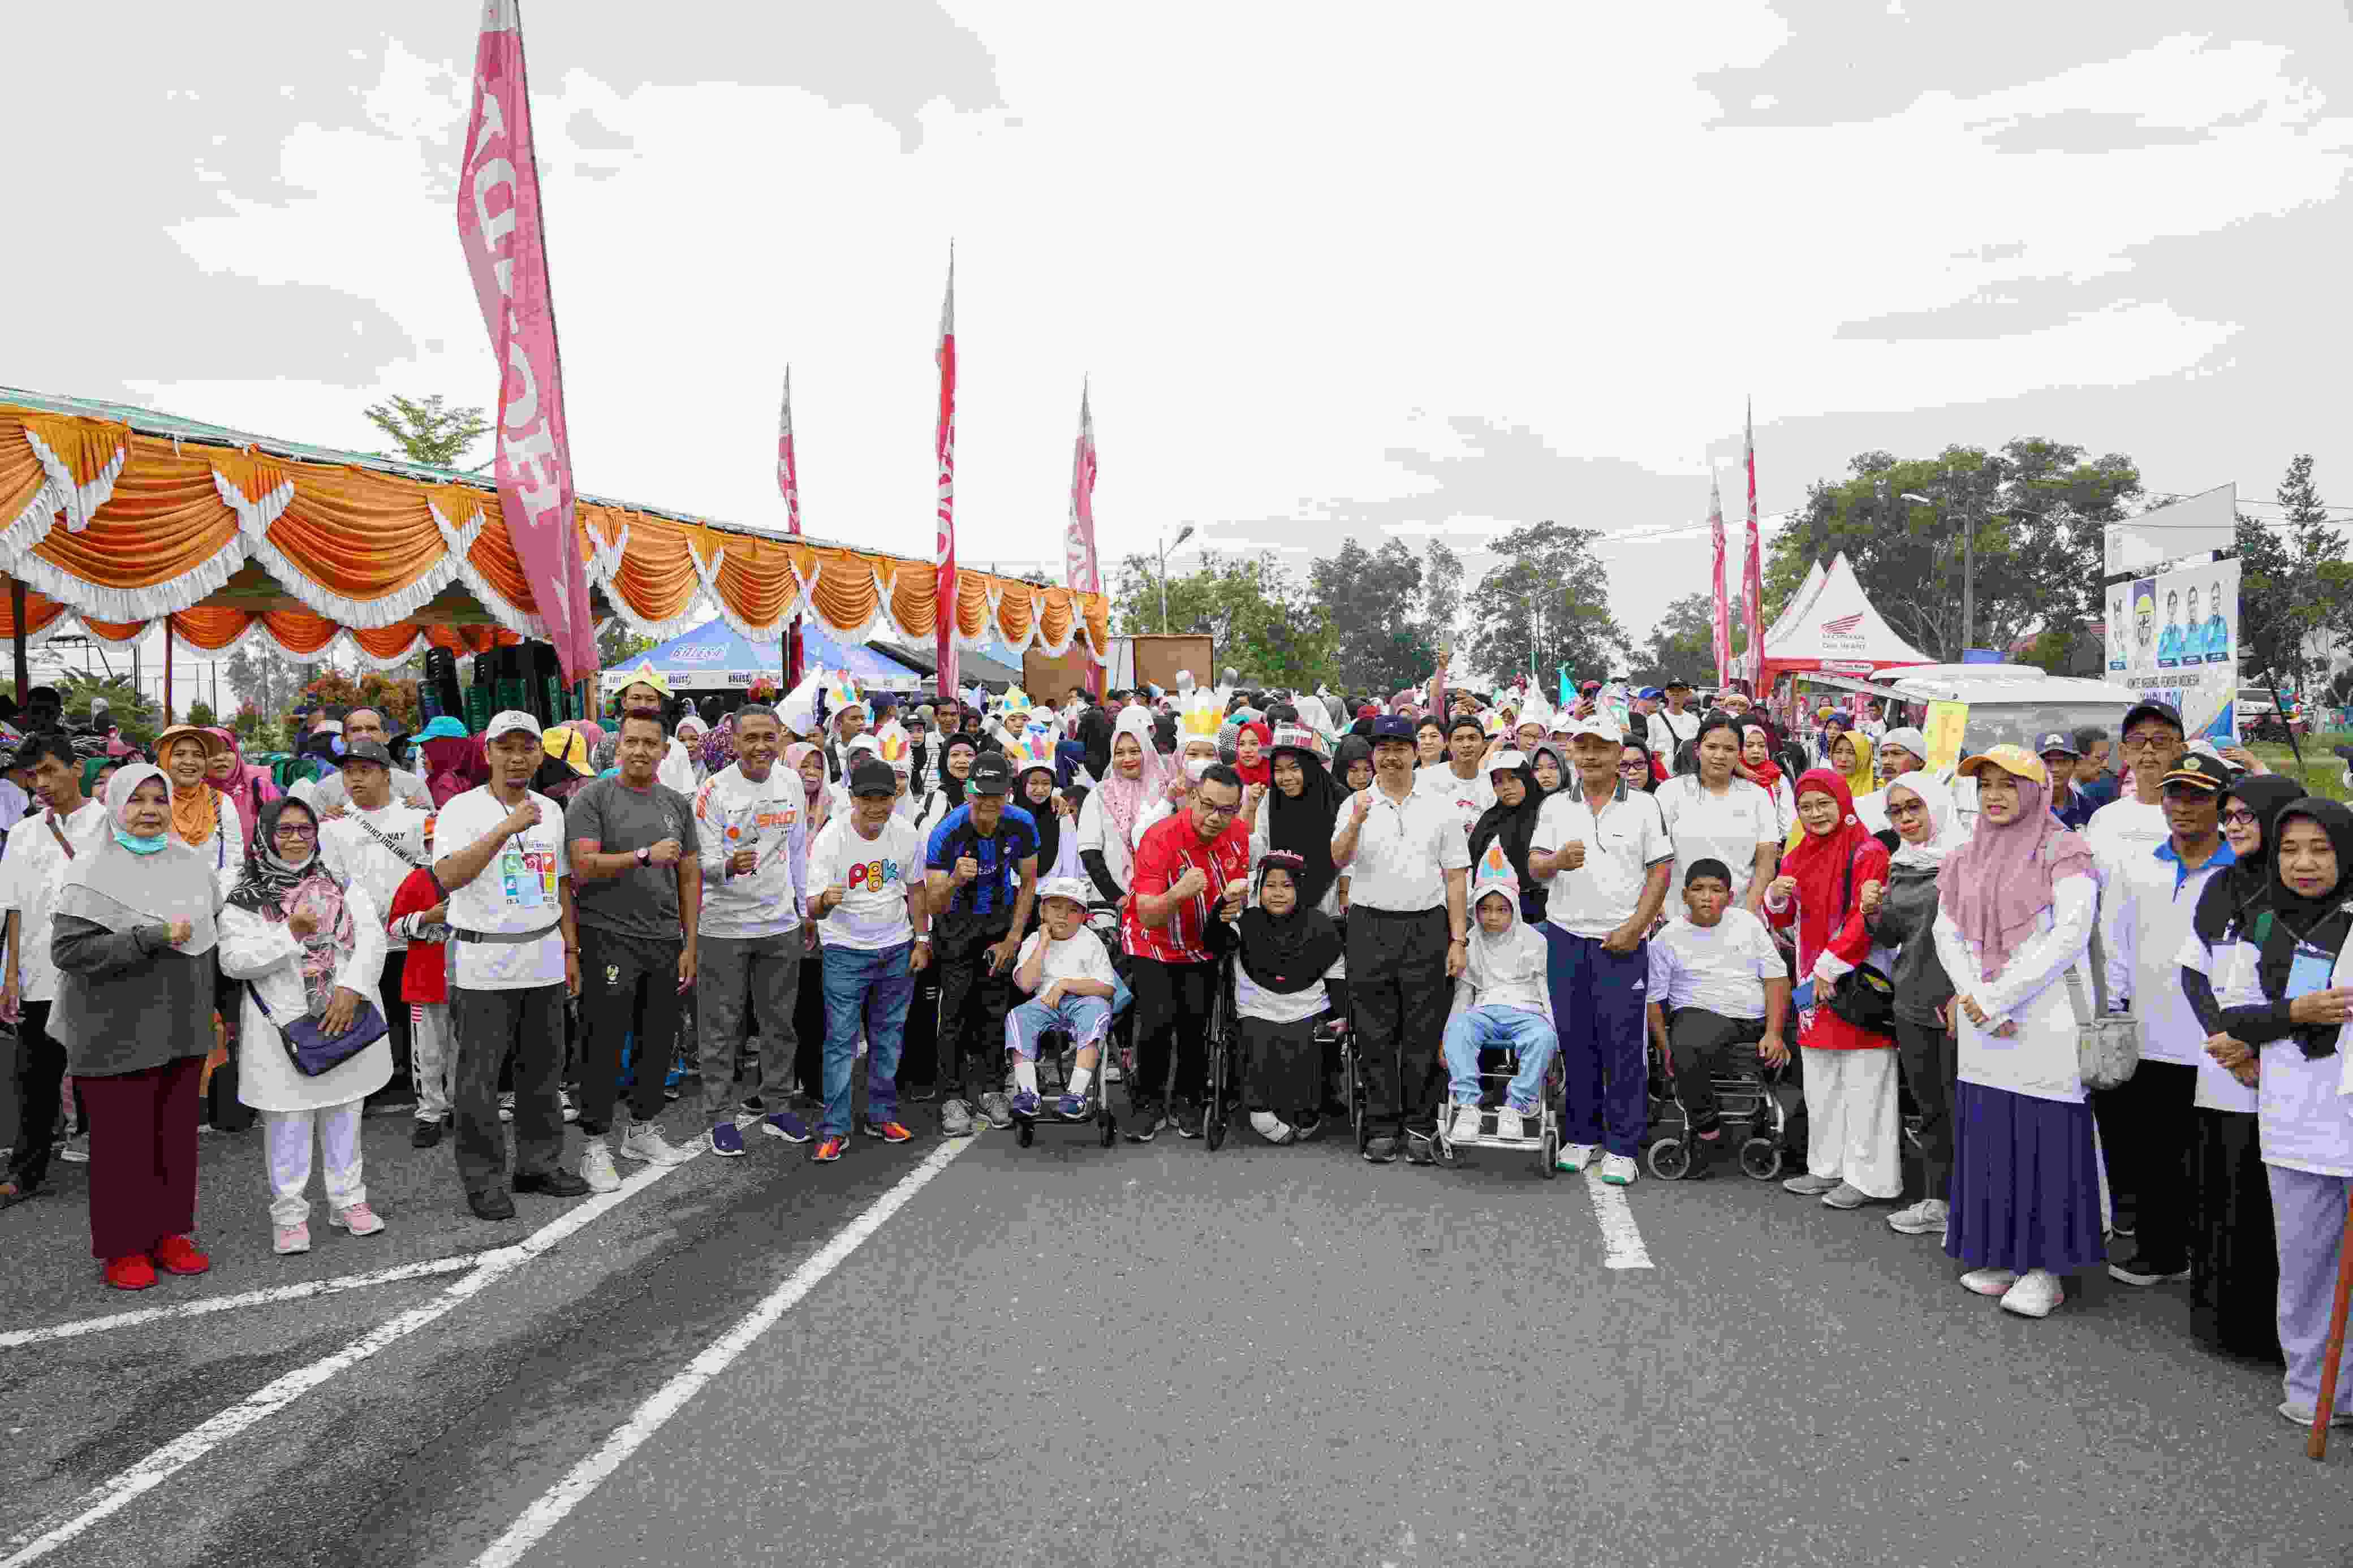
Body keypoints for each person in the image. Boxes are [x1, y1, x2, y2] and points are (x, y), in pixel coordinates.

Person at [1932, 745, 2102, 1319]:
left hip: (2042, 1019)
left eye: (2008, 783)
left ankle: (2045, 1268)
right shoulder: (1963, 856)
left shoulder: (2066, 849)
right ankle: (2001, 1253)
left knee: (2043, 1138)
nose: (1994, 795)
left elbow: (2068, 935)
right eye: (1985, 785)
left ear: (2036, 787)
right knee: (1990, 1133)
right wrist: (1974, 997)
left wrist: (1996, 997)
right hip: (1985, 1024)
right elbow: (1945, 931)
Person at [2208, 800, 2353, 1423]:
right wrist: (2296, 1014)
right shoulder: (2260, 921)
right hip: (2294, 1122)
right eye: (2290, 848)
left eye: (2320, 849)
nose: (2302, 863)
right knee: (2303, 1269)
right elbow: (2233, 1014)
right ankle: (2314, 1390)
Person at [49, 764, 222, 1289]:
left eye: (159, 798)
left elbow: (211, 938)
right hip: (113, 1030)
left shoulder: (191, 864)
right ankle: (123, 1247)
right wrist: (146, 937)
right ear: (116, 806)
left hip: (181, 1025)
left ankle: (171, 1233)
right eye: (137, 800)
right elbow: (69, 950)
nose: (150, 809)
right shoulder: (91, 867)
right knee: (121, 1147)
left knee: (175, 1140)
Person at [431, 711, 591, 1221]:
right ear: (488, 753)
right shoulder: (461, 809)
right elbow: (449, 876)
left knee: (543, 1072)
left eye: (527, 747)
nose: (517, 757)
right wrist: (505, 828)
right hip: (484, 959)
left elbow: (561, 883)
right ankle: (483, 1179)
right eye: (507, 747)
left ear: (540, 754)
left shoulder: (551, 809)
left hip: (542, 954)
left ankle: (538, 1164)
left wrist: (570, 950)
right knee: (478, 1080)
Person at [218, 798, 391, 1254]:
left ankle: (348, 1200)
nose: (296, 838)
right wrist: (288, 933)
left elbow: (371, 937)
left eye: (305, 829)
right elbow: (233, 961)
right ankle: (290, 1212)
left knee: (345, 1114)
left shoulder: (338, 882)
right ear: (266, 834)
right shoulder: (244, 892)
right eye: (286, 830)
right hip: (283, 1026)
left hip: (342, 1014)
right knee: (289, 1122)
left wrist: (352, 989)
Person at [2098, 751, 2238, 1290]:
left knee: (2211, 1156)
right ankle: (2161, 1252)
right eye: (2176, 794)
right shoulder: (2139, 865)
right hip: (2150, 1032)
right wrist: (2113, 1009)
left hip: (2215, 1037)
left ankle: (2210, 1259)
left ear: (2223, 805)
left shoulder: (2238, 869)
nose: (2183, 806)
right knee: (2154, 1151)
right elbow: (2115, 943)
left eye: (2199, 795)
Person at [2175, 774, 2302, 1362]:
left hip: (2290, 1064)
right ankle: (2225, 1324)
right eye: (2226, 814)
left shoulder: (2306, 890)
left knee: (2276, 1203)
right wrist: (2225, 1040)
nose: (2231, 824)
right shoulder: (2221, 885)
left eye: (2246, 815)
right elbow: (2192, 971)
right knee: (2223, 1190)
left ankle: (2284, 1334)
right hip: (2226, 1068)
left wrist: (2254, 1045)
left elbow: (2313, 990)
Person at [564, 709, 706, 1187]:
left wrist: (690, 940)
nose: (641, 750)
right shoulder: (593, 798)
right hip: (609, 936)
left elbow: (689, 873)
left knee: (658, 1039)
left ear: (666, 750)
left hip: (665, 940)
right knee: (603, 1042)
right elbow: (581, 867)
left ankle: (641, 1128)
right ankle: (595, 1143)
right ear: (617, 746)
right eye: (633, 742)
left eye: (651, 742)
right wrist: (643, 856)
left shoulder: (675, 804)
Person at [1528, 713, 1670, 1182]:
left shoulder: (1645, 805)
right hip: (1566, 935)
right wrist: (1557, 861)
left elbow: (1660, 872)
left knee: (1623, 1043)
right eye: (1582, 746)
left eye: (1600, 747)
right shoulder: (1554, 806)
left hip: (1620, 939)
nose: (1590, 755)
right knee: (1576, 1039)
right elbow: (1534, 868)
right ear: (1572, 752)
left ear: (1617, 754)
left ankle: (1623, 1143)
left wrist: (1636, 927)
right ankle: (1584, 1135)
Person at [1331, 716, 1469, 1163]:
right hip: (1370, 925)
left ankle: (1420, 1123)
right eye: (1382, 748)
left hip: (1426, 927)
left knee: (1423, 1032)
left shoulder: (1441, 806)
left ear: (1416, 751)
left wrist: (1458, 938)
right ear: (1373, 755)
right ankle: (1381, 1124)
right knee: (1374, 1031)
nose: (1390, 756)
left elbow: (1455, 878)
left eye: (1400, 747)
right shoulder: (1356, 802)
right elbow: (1338, 858)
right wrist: (1355, 822)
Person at [1762, 767, 1901, 1211]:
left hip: (1855, 982)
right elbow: (1784, 924)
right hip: (1812, 984)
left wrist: (1828, 967)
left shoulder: (1869, 850)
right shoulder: (1797, 854)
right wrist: (1776, 898)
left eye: (1824, 803)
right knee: (1821, 1081)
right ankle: (1825, 1167)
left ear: (1843, 802)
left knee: (1866, 1083)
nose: (1816, 813)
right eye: (1806, 807)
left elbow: (1866, 919)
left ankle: (1869, 1178)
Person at [692, 703, 816, 1157]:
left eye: (769, 737)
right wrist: (726, 864)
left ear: (781, 737)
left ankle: (778, 1105)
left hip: (779, 923)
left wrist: (805, 909)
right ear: (735, 741)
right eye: (752, 738)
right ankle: (721, 1116)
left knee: (779, 1024)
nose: (761, 746)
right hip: (723, 927)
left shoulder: (791, 783)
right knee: (722, 1027)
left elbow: (799, 850)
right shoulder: (712, 791)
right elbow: (697, 864)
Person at [0, 735, 108, 1211]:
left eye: (49, 770)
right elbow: (14, 908)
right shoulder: (24, 833)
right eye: (33, 775)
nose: (41, 783)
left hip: (98, 971)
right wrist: (9, 977)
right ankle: (26, 1172)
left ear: (76, 767)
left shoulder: (109, 824)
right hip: (39, 973)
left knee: (103, 1074)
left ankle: (116, 1165)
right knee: (34, 1078)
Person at [805, 758, 929, 1163]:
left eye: (885, 799)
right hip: (844, 950)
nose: (877, 808)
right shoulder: (831, 838)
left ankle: (882, 1114)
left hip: (896, 947)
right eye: (868, 800)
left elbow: (915, 889)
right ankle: (835, 1127)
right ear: (852, 799)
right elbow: (812, 906)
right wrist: (825, 900)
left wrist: (921, 939)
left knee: (889, 1036)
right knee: (841, 1041)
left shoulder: (906, 834)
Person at [1127, 759, 1255, 1142]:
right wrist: (1179, 891)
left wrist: (1234, 906)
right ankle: (1148, 1101)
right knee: (1157, 1020)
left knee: (1195, 1021)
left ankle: (1190, 1097)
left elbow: (1237, 887)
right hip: (1155, 943)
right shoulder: (1159, 837)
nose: (1217, 817)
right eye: (1209, 805)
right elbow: (1147, 913)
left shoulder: (1238, 834)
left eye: (1228, 810)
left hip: (1202, 943)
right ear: (1193, 796)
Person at [1864, 771, 1964, 1239]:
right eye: (1897, 810)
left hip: (1959, 1006)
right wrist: (1872, 911)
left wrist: (1965, 996)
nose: (1905, 818)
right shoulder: (1900, 864)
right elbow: (1892, 936)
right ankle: (1938, 1201)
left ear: (1936, 807)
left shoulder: (1965, 860)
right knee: (1931, 1109)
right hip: (1912, 1001)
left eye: (1914, 807)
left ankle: (1974, 1207)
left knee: (1965, 1107)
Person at [1645, 858, 1790, 1180]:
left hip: (1751, 1019)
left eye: (1716, 890)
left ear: (1730, 895)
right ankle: (1708, 1130)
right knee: (1688, 1045)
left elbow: (1777, 980)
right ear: (1684, 896)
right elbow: (1654, 1000)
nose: (1707, 896)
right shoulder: (1668, 937)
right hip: (1701, 1016)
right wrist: (1665, 1047)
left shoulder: (1748, 925)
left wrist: (1774, 1033)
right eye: (1698, 889)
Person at [923, 751, 1038, 1137]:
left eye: (996, 796)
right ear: (969, 791)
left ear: (1008, 794)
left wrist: (1013, 938)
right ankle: (953, 1096)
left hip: (998, 922)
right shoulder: (947, 831)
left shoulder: (1022, 824)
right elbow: (932, 903)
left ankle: (992, 1090)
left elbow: (1029, 885)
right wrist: (954, 879)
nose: (988, 804)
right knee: (953, 1011)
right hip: (955, 925)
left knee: (995, 1009)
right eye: (980, 795)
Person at [316, 740, 429, 1115]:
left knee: (416, 1016)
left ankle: (424, 1089)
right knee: (366, 1010)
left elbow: (434, 873)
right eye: (349, 772)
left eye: (365, 770)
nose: (355, 779)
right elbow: (331, 883)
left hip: (412, 937)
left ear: (387, 774)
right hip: (361, 941)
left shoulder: (417, 818)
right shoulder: (332, 826)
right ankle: (368, 1085)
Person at [1440, 845, 1559, 1147]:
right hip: (1486, 1011)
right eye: (1485, 909)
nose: (1492, 917)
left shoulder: (1535, 941)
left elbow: (1546, 992)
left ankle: (1517, 1107)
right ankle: (1468, 1106)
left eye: (1501, 909)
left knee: (1543, 1037)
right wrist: (1447, 1037)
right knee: (1459, 1028)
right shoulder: (1470, 943)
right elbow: (1464, 995)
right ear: (1475, 909)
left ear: (1514, 910)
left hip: (1527, 1012)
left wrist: (1556, 1039)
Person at [1005, 875, 1121, 1122]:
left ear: (1083, 916)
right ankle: (1028, 1093)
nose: (1063, 916)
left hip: (1085, 1000)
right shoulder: (1034, 942)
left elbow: (1107, 988)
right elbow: (1026, 985)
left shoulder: (1089, 941)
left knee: (1097, 1011)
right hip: (1045, 1003)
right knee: (1017, 1017)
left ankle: (1077, 1094)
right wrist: (1044, 942)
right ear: (1042, 911)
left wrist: (1065, 984)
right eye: (1055, 908)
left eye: (1072, 911)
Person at [1654, 715, 1782, 915]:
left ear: (1739, 754)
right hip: (1678, 917)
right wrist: (1657, 907)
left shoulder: (1757, 796)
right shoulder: (1670, 792)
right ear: (1697, 750)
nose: (1720, 756)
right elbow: (1655, 858)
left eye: (1729, 749)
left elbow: (1765, 863)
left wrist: (1748, 912)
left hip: (1738, 916)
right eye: (1712, 747)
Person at [383, 812, 458, 1150]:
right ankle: (430, 1113)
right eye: (431, 842)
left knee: (464, 1052)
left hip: (466, 982)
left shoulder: (472, 877)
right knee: (428, 1053)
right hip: (424, 983)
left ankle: (461, 1108)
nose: (438, 847)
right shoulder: (415, 882)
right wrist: (426, 918)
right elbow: (393, 926)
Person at [294, 707, 435, 816]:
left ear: (387, 737)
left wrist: (423, 813)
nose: (364, 735)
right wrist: (323, 820)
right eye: (355, 730)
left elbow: (430, 837)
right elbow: (314, 842)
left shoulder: (412, 784)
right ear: (343, 739)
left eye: (372, 729)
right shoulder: (325, 790)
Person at [153, 724, 245, 876]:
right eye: (180, 754)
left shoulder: (222, 803)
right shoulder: (150, 801)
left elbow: (234, 865)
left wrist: (216, 898)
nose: (189, 762)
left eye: (198, 755)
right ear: (165, 757)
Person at [1467, 750, 1546, 926]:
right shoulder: (1488, 821)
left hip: (1539, 918)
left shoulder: (1547, 815)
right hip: (1492, 920)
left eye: (1512, 778)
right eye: (1499, 782)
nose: (1506, 787)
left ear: (1526, 778)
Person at [1416, 715, 1494, 843]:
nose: (1466, 745)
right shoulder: (1424, 780)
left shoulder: (1492, 782)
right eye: (1459, 739)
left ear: (1484, 745)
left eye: (1472, 738)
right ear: (1449, 745)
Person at [1737, 721, 1796, 841]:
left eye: (1761, 746)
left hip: (1769, 844)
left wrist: (1786, 842)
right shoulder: (1731, 777)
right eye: (1749, 745)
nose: (1756, 750)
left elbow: (1787, 816)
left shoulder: (1777, 778)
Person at [1647, 679, 1701, 768]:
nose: (1676, 693)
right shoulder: (1654, 719)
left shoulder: (1695, 721)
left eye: (1680, 690)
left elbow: (1697, 748)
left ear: (1687, 694)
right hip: (1662, 773)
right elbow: (1649, 746)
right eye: (1672, 690)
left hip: (1686, 772)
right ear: (1666, 693)